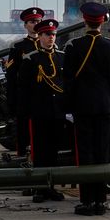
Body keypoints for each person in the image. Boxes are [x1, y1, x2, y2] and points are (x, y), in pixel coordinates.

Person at [63, 2, 110, 216]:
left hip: (81, 107)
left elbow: (68, 81)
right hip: (106, 107)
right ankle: (101, 201)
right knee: (102, 153)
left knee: (85, 154)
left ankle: (87, 201)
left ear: (84, 20)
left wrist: (68, 108)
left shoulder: (73, 46)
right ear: (103, 21)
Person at [19, 19, 67, 203]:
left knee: (54, 152)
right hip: (39, 111)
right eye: (47, 35)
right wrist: (25, 113)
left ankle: (51, 186)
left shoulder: (62, 57)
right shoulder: (31, 59)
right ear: (39, 37)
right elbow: (24, 89)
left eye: (53, 35)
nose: (51, 38)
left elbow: (67, 85)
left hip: (58, 112)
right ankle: (40, 188)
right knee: (40, 152)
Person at [6, 6, 43, 159]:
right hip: (25, 95)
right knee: (23, 130)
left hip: (43, 96)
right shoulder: (18, 46)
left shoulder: (48, 44)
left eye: (38, 21)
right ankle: (22, 159)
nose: (35, 24)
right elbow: (11, 75)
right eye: (32, 22)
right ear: (25, 25)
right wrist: (12, 99)